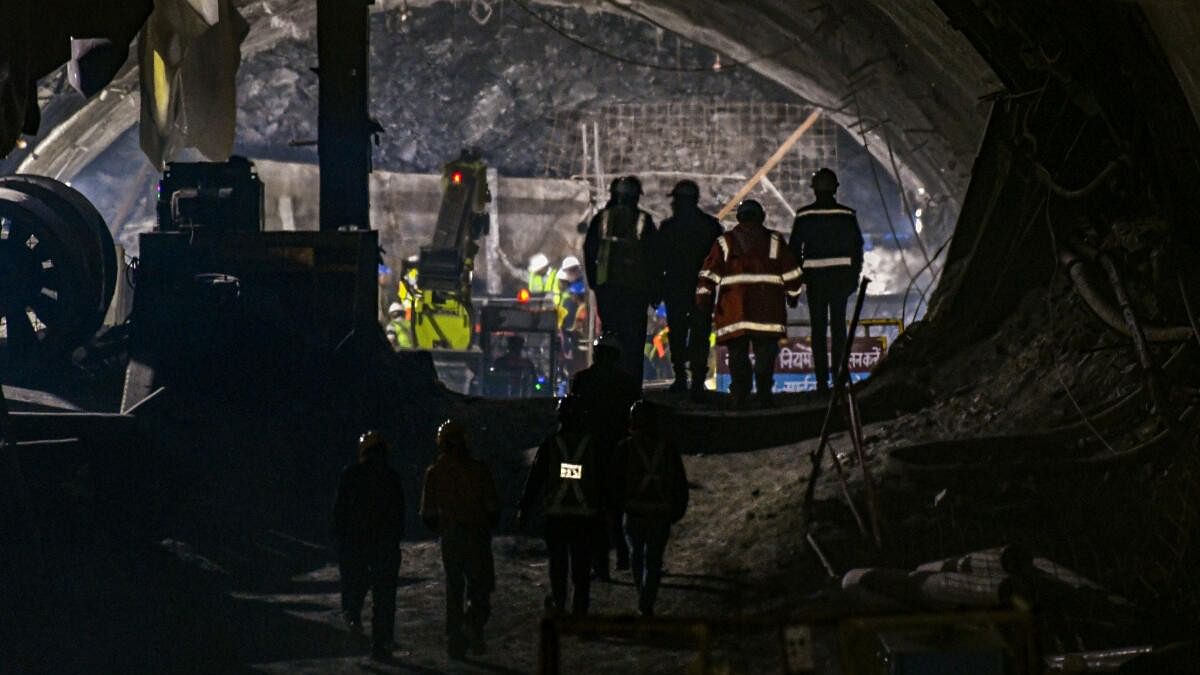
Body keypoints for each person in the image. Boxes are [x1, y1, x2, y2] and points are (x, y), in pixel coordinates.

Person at [696, 199, 804, 408]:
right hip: (767, 314)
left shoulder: (725, 242)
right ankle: (764, 395)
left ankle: (740, 396)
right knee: (765, 356)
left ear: (739, 217)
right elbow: (792, 274)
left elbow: (708, 275)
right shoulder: (775, 241)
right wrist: (792, 296)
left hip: (735, 313)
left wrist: (703, 300)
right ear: (761, 217)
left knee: (738, 357)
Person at [516, 395, 603, 615]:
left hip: (557, 515)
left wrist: (524, 508)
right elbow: (602, 480)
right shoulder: (591, 444)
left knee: (558, 565)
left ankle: (559, 603)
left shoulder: (551, 445)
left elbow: (535, 478)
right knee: (581, 567)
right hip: (584, 516)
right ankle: (580, 609)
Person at [420, 420, 499, 659]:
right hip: (477, 534)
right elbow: (493, 507)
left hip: (451, 536)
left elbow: (428, 514)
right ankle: (472, 625)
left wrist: (445, 527)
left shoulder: (434, 473)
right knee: (481, 587)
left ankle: (456, 637)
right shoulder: (479, 470)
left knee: (454, 588)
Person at [569, 333, 640, 578]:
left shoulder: (582, 380)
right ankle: (623, 556)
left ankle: (600, 565)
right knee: (618, 507)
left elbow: (573, 415)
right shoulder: (627, 383)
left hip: (590, 451)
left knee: (594, 509)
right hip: (619, 452)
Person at [788, 168, 864, 395]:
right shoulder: (847, 215)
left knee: (818, 331)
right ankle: (839, 377)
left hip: (816, 282)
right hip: (840, 281)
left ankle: (822, 383)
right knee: (839, 329)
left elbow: (794, 251)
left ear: (814, 190)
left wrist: (796, 283)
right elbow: (857, 249)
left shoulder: (804, 216)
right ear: (835, 189)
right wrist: (854, 278)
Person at [333, 431, 406, 661]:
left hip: (356, 543)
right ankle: (380, 644)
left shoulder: (351, 474)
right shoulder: (391, 476)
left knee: (355, 587)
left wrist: (341, 538)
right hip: (384, 544)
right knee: (384, 597)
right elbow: (399, 512)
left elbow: (339, 510)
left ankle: (353, 618)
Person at [613, 401, 688, 617]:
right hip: (660, 513)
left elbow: (614, 482)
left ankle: (643, 597)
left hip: (634, 512)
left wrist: (618, 508)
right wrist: (676, 510)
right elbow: (679, 482)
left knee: (637, 556)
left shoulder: (625, 448)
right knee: (653, 560)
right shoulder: (667, 448)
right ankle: (647, 602)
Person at [583, 175, 660, 381]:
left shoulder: (602, 218)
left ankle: (607, 381)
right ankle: (631, 385)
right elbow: (655, 257)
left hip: (608, 290)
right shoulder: (644, 221)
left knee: (610, 337)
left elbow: (590, 252)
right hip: (636, 292)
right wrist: (655, 291)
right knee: (633, 341)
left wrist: (594, 283)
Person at [656, 180, 724, 396]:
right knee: (700, 333)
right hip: (702, 289)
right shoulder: (710, 226)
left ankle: (681, 378)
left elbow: (658, 261)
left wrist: (657, 289)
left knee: (678, 332)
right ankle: (696, 381)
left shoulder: (668, 228)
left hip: (676, 288)